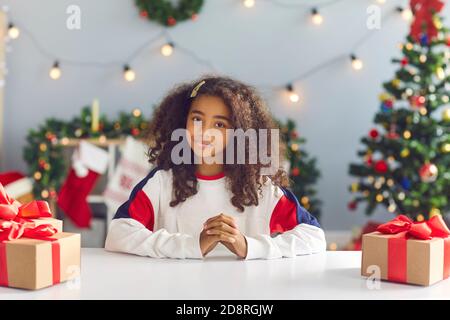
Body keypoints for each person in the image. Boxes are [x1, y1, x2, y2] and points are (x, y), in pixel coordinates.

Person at [105, 76, 326, 259]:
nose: (204, 131)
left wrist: (247, 246)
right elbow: (117, 233)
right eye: (197, 119)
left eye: (219, 124)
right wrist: (192, 246)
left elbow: (314, 236)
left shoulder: (260, 187)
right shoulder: (162, 182)